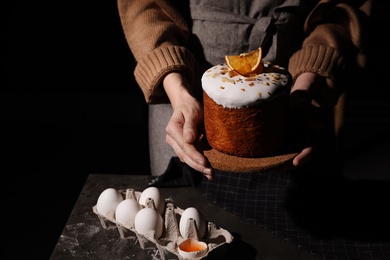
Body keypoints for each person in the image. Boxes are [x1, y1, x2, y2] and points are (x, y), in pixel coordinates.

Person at [117, 0, 371, 181]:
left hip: (299, 90)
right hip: (183, 92)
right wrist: (178, 90)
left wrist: (305, 87)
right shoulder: (181, 93)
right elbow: (144, 5)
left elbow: (344, 8)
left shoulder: (302, 91)